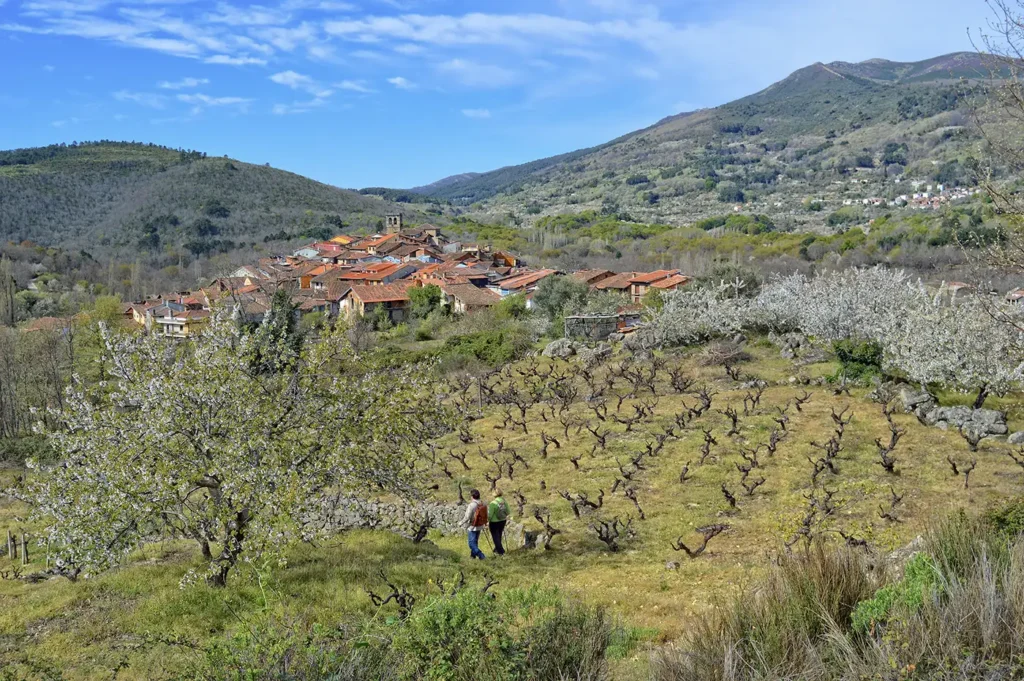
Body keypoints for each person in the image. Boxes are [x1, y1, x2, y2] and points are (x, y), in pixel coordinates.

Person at [462, 488, 487, 560]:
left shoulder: (472, 505)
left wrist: (461, 523)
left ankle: (481, 556)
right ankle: (472, 557)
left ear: (472, 496)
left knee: (471, 544)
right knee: (475, 542)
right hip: (480, 525)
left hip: (472, 526)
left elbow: (467, 517)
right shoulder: (483, 503)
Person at [488, 490, 510, 556]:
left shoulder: (493, 503)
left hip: (494, 522)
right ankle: (496, 549)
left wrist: (487, 520)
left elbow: (490, 515)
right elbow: (508, 512)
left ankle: (501, 551)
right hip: (503, 521)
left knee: (495, 537)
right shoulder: (504, 502)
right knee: (499, 535)